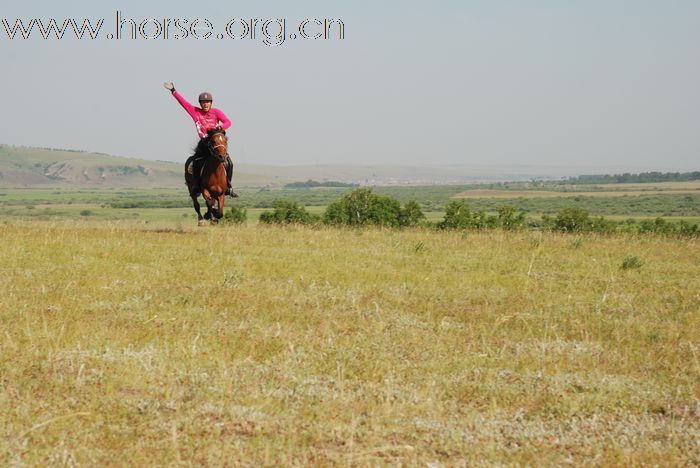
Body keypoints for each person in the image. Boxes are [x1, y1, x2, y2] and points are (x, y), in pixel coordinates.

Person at [163, 81, 237, 197]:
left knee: (230, 163)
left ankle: (228, 187)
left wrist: (220, 127)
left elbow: (228, 122)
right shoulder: (195, 112)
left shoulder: (216, 112)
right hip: (204, 144)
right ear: (200, 104)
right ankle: (197, 186)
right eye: (203, 102)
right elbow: (183, 103)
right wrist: (173, 91)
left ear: (211, 103)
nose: (205, 104)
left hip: (215, 143)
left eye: (207, 102)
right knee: (195, 163)